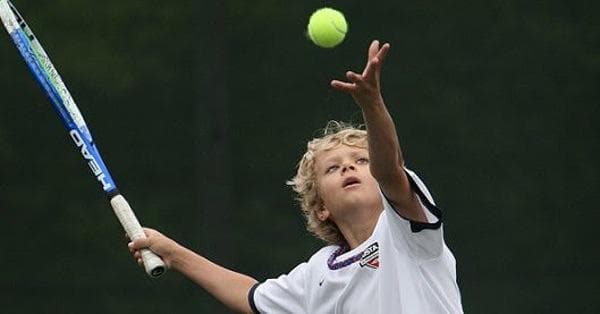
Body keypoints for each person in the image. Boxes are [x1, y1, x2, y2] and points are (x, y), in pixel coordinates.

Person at [128, 40, 463, 313]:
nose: (348, 167)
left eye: (361, 160)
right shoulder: (317, 273)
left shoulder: (408, 233)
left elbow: (390, 171)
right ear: (321, 208)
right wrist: (172, 252)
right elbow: (251, 296)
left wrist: (372, 105)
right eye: (332, 168)